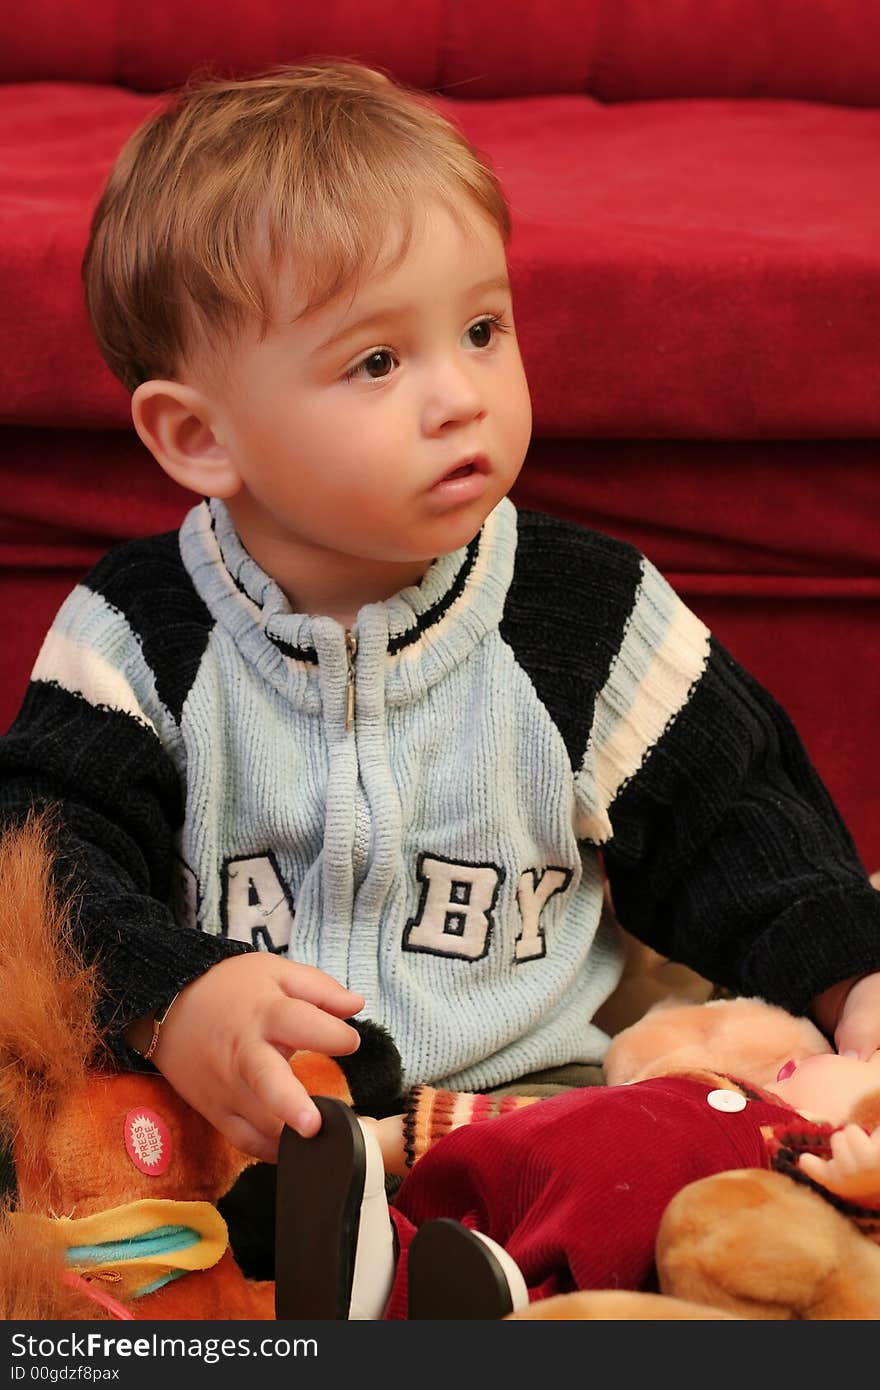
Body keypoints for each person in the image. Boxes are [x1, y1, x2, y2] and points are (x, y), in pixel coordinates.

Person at [1, 60, 879, 1170]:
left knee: (673, 1141)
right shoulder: (138, 633)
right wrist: (172, 999)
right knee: (69, 1151)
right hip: (236, 1113)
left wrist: (858, 979)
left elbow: (745, 827)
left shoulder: (585, 615)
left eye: (482, 330)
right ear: (198, 438)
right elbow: (45, 864)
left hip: (529, 1101)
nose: (461, 394)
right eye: (377, 360)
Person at [271, 997, 880, 1319]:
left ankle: (407, 1293)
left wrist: (860, 1188)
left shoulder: (801, 1174)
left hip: (589, 1258)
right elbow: (536, 1115)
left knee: (511, 1281)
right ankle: (364, 1254)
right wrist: (381, 1137)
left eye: (872, 1069)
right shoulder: (682, 1083)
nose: (853, 1056)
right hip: (508, 1176)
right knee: (441, 1240)